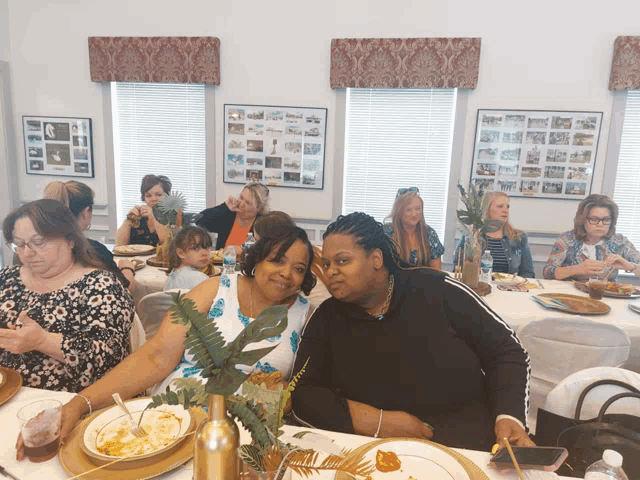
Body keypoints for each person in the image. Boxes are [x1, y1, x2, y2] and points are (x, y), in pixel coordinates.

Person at [20, 225, 316, 459]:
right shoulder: (214, 289)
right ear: (258, 258)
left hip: (243, 438)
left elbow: (301, 389)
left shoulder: (306, 313)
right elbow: (156, 356)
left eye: (299, 268)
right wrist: (78, 404)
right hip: (170, 421)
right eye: (277, 260)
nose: (287, 274)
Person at [291, 212, 533, 451]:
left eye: (342, 261)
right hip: (372, 454)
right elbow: (302, 393)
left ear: (376, 259)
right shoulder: (326, 318)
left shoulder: (438, 291)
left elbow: (506, 352)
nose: (330, 271)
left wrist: (509, 417)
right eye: (326, 264)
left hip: (469, 448)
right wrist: (380, 422)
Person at [0, 200, 134, 393]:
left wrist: (42, 341)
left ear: (70, 240)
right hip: (8, 394)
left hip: (77, 401)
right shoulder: (6, 279)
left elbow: (108, 359)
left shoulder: (101, 286)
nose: (27, 253)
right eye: (19, 245)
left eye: (39, 242)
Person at [42, 180, 135, 292]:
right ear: (85, 212)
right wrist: (127, 268)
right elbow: (125, 291)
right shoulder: (94, 251)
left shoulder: (32, 251)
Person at [543, 194, 640, 281]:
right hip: (570, 294)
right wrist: (577, 269)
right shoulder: (567, 239)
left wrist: (631, 267)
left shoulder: (620, 241)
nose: (600, 224)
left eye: (606, 219)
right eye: (594, 219)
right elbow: (547, 272)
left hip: (606, 295)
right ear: (582, 220)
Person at [453, 192, 535, 278]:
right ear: (487, 209)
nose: (505, 210)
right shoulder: (472, 235)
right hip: (478, 287)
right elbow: (458, 266)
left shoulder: (519, 237)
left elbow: (528, 273)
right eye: (500, 206)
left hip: (510, 288)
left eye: (507, 206)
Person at [196, 182, 270, 252]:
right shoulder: (228, 214)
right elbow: (199, 220)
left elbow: (265, 252)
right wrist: (224, 207)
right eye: (241, 197)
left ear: (259, 208)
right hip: (221, 264)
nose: (241, 204)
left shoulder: (263, 223)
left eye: (247, 203)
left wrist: (243, 251)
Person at [383, 187, 444, 269]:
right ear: (399, 212)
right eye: (408, 210)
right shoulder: (387, 232)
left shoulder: (430, 234)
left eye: (418, 209)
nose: (414, 214)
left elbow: (437, 273)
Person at [115, 174, 171, 246]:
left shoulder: (173, 215)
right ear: (144, 198)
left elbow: (167, 244)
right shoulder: (140, 216)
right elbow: (120, 244)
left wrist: (153, 217)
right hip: (136, 256)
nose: (153, 199)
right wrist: (128, 220)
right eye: (148, 196)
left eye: (159, 195)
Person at [164, 225, 212, 291]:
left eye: (206, 247)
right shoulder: (198, 278)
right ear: (180, 253)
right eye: (196, 248)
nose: (204, 253)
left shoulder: (173, 274)